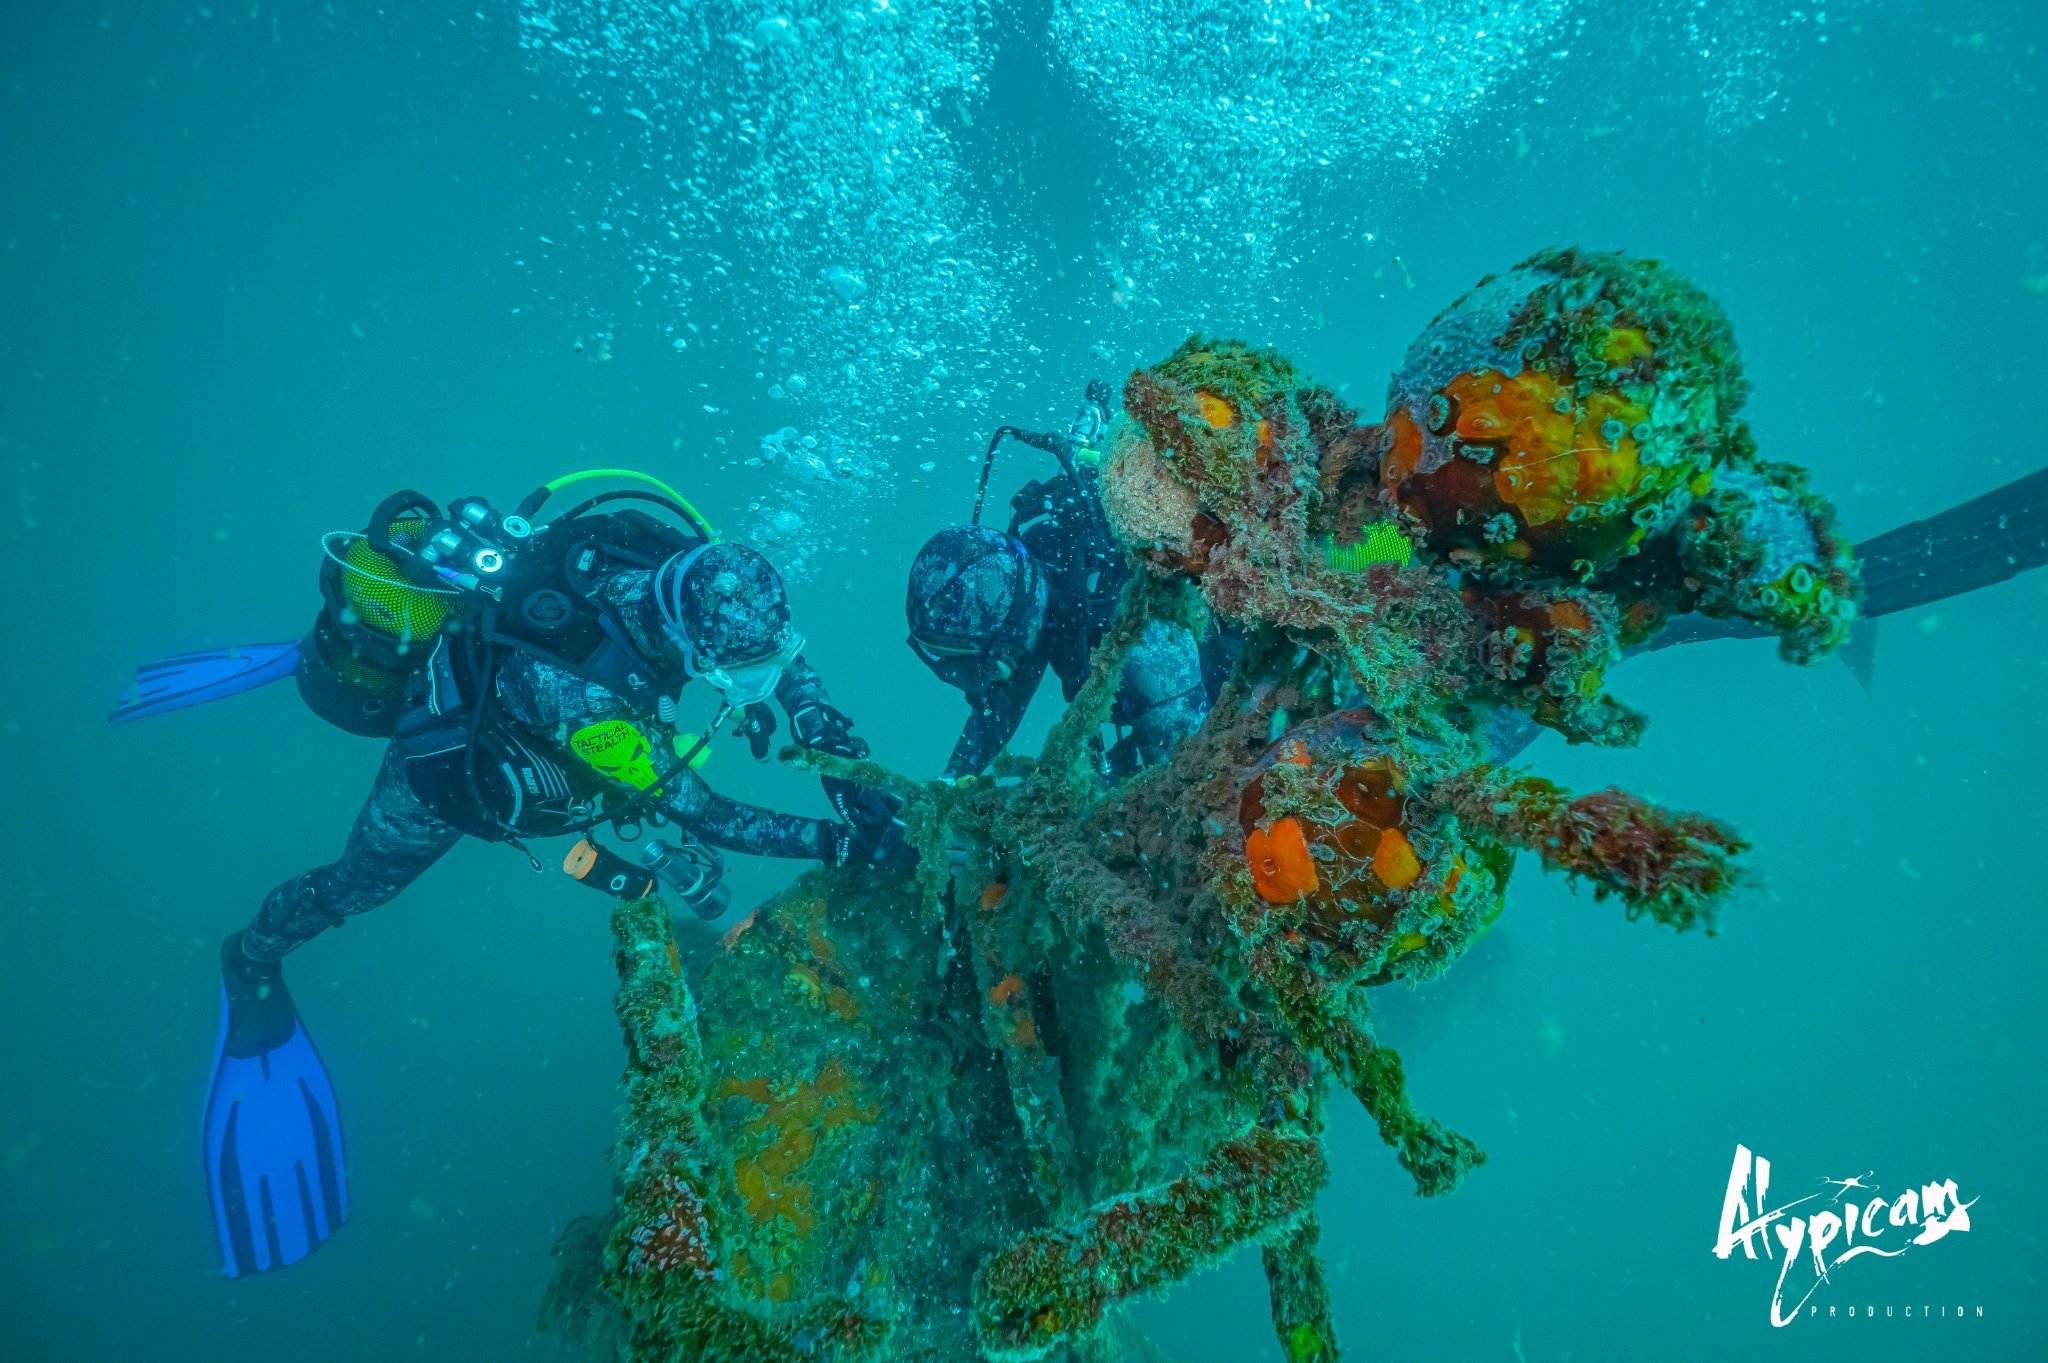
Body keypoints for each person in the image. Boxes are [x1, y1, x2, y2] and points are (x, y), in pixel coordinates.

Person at [113, 472, 904, 1277]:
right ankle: (253, 953)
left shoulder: (686, 561)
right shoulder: (581, 695)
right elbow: (707, 813)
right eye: (741, 675)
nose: (754, 686)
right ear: (691, 641)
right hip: (445, 755)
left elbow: (776, 642)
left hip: (527, 671)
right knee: (360, 882)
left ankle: (342, 646)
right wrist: (840, 844)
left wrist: (823, 727)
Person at [906, 385, 1230, 780]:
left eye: (980, 667)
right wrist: (952, 779)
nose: (982, 681)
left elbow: (1192, 771)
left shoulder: (1142, 645)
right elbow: (1002, 707)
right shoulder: (1037, 571)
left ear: (1007, 637)